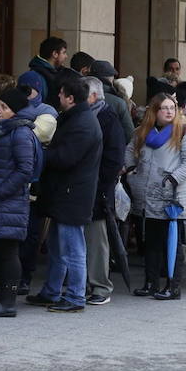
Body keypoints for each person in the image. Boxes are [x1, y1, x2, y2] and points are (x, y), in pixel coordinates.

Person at [27, 77, 102, 313]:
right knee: (58, 246)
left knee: (73, 247)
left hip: (73, 193)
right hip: (65, 192)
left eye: (61, 94)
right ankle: (51, 291)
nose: (57, 97)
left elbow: (66, 157)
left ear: (70, 98)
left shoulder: (83, 123)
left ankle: (75, 296)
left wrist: (41, 153)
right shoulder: (76, 118)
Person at [126, 94, 186, 299]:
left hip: (170, 196)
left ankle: (172, 286)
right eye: (164, 108)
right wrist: (132, 171)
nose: (169, 111)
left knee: (171, 243)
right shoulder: (142, 131)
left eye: (172, 108)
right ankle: (151, 282)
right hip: (146, 196)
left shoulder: (184, 132)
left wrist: (173, 179)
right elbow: (129, 150)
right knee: (151, 242)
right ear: (154, 111)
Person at [0, 87, 38, 317]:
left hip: (8, 202)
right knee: (1, 251)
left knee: (7, 252)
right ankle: (4, 300)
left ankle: (7, 302)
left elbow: (24, 170)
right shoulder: (3, 130)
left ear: (15, 111)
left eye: (4, 107)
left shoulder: (20, 132)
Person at [82, 77, 126, 305]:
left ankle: (100, 286)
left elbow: (114, 159)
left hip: (98, 191)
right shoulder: (86, 116)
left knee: (97, 240)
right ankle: (84, 284)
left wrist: (100, 186)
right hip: (84, 189)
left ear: (93, 96)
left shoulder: (107, 119)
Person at [15, 85, 58, 295]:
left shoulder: (47, 113)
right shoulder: (12, 110)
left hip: (34, 185)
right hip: (23, 186)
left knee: (30, 234)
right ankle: (18, 277)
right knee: (20, 234)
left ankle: (24, 276)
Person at [88, 60, 136, 143]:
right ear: (111, 78)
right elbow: (129, 135)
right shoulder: (119, 102)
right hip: (110, 149)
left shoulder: (80, 95)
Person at [18, 37, 68, 110]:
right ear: (55, 54)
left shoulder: (58, 73)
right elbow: (27, 108)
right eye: (64, 52)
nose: (66, 56)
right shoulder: (32, 77)